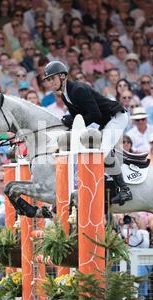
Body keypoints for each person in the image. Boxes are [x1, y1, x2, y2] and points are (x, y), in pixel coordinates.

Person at [42, 60, 131, 204]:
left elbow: (94, 114)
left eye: (52, 78)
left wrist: (72, 121)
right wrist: (66, 121)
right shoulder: (65, 95)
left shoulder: (78, 90)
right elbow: (78, 118)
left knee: (101, 152)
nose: (50, 83)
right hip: (105, 121)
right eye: (48, 80)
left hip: (116, 117)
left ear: (62, 76)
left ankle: (125, 190)